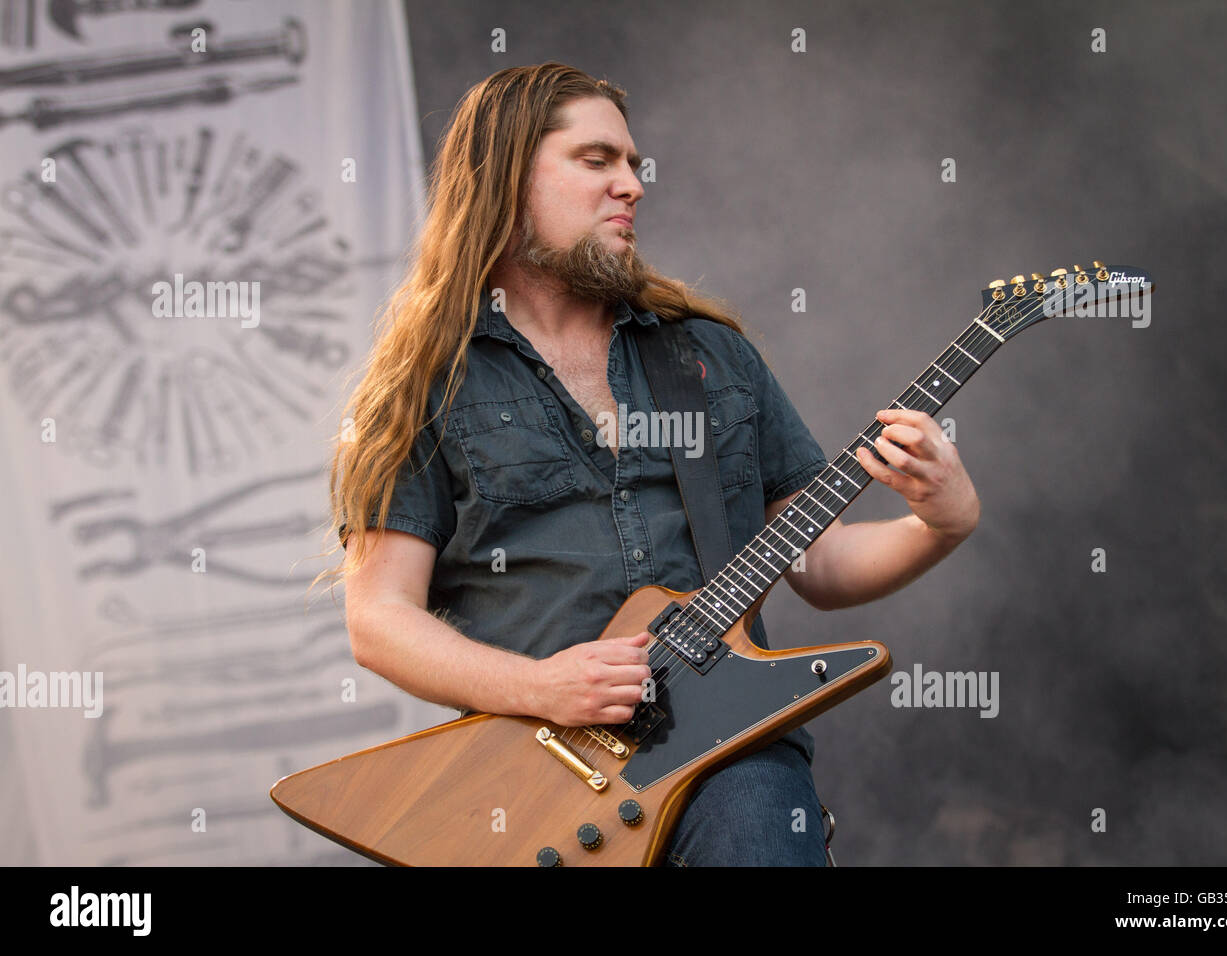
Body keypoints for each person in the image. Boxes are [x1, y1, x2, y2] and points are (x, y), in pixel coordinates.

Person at [326, 62, 980, 866]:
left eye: (633, 164)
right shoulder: (428, 384)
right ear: (501, 179)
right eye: (597, 161)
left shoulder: (707, 354)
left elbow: (819, 560)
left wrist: (939, 524)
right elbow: (379, 621)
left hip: (729, 759)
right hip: (533, 794)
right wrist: (539, 688)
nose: (631, 185)